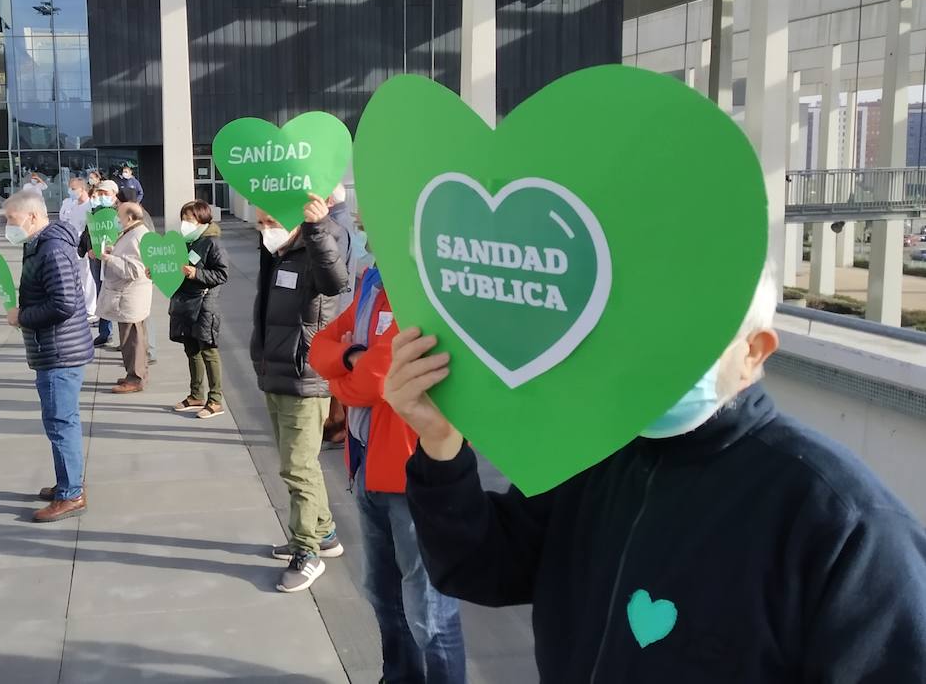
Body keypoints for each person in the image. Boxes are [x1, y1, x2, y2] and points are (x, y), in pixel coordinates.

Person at [386, 267, 926, 682]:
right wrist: (440, 443)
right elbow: (482, 566)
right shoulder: (596, 454)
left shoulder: (843, 525)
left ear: (754, 352)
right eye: (636, 330)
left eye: (687, 337)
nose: (650, 358)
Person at [309, 260, 467, 684]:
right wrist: (349, 358)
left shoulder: (424, 287)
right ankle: (399, 677)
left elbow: (370, 383)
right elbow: (319, 345)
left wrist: (340, 378)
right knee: (383, 594)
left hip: (413, 472)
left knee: (429, 610)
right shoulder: (373, 280)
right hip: (366, 466)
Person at [252, 193, 350, 593]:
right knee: (297, 463)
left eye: (271, 222)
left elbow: (335, 279)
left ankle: (306, 550)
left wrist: (317, 227)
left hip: (305, 375)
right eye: (260, 224)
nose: (265, 230)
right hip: (276, 371)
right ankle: (323, 534)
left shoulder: (320, 240)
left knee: (298, 466)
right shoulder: (276, 255)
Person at [3, 189, 94, 523]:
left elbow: (63, 303)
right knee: (59, 421)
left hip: (60, 351)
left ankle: (71, 493)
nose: (7, 226)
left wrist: (22, 317)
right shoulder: (42, 244)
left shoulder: (51, 248)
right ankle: (65, 484)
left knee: (61, 423)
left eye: (10, 219)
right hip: (56, 348)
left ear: (31, 216)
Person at [169, 200, 229, 418]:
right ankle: (196, 395)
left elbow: (222, 274)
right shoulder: (185, 242)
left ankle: (215, 400)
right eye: (183, 218)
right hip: (184, 302)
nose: (185, 223)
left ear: (202, 219)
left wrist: (196, 274)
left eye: (190, 219)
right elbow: (174, 269)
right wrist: (157, 272)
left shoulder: (212, 243)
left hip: (204, 303)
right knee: (191, 349)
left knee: (208, 350)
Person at [96, 201, 153, 394]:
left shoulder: (138, 235)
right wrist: (114, 252)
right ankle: (136, 374)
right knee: (133, 339)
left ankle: (135, 378)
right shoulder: (132, 233)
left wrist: (109, 259)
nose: (116, 220)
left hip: (130, 297)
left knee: (133, 340)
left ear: (129, 217)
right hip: (128, 297)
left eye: (118, 216)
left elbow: (135, 269)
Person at [323, 183, 359, 449]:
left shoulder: (336, 229)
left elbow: (334, 274)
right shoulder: (344, 223)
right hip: (342, 305)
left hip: (337, 308)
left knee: (337, 368)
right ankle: (337, 421)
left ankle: (337, 422)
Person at [84, 180, 119, 348]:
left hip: (115, 258)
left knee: (118, 296)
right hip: (96, 258)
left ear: (114, 194)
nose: (102, 196)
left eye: (106, 193)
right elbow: (88, 231)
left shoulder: (121, 211)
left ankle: (125, 336)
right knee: (101, 294)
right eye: (100, 193)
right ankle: (105, 333)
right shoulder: (94, 211)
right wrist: (90, 248)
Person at [59, 177, 98, 324]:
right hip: (72, 245)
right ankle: (80, 306)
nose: (71, 191)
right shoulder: (73, 205)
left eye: (73, 188)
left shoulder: (90, 206)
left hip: (86, 247)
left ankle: (91, 309)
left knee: (88, 277)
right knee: (77, 277)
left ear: (82, 189)